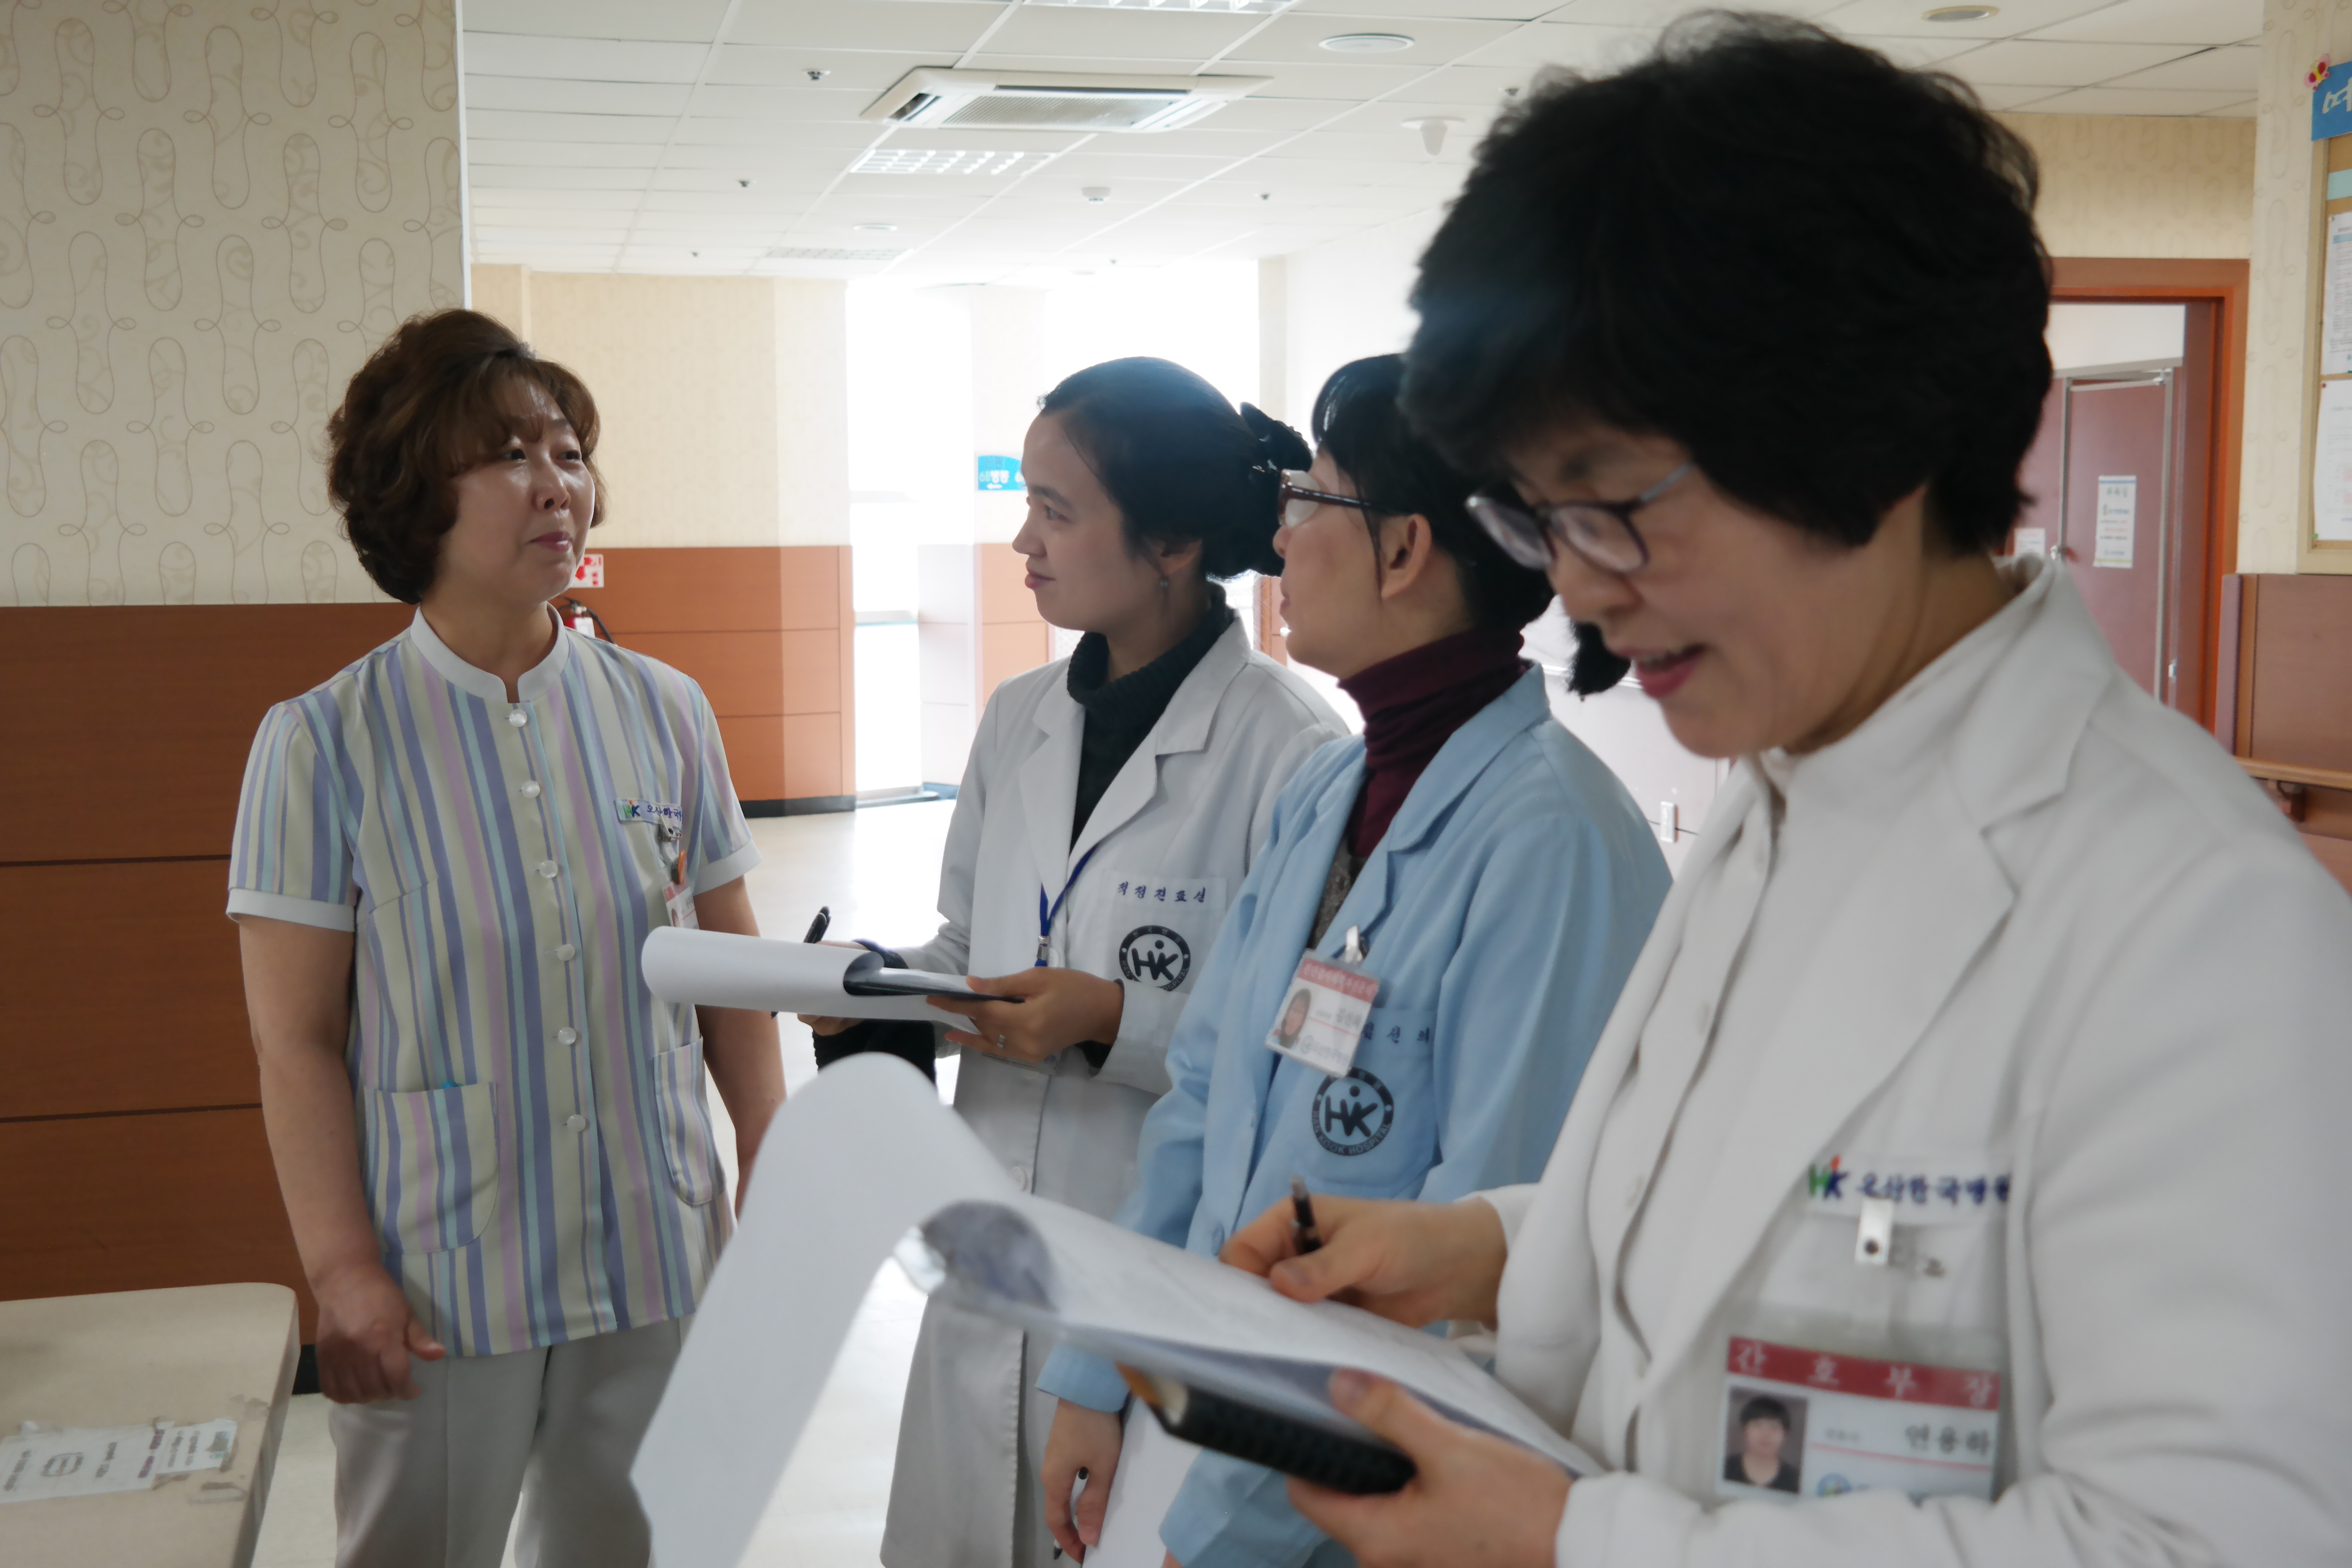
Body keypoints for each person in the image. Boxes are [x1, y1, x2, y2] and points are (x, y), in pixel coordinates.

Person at [1214, 19, 2352, 1568]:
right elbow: (1758, 1212)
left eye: (1614, 504)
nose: (1578, 591)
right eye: (1540, 518)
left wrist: (1583, 1545)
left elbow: (2215, 1540)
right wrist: (1482, 1243)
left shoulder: (2202, 926)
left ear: (1865, 436)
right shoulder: (1789, 784)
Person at [1034, 354, 1670, 1568]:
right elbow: (1200, 1108)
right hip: (1214, 1434)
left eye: (1308, 498)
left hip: (1362, 1507)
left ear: (1403, 550)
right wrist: (1098, 1372)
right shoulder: (1331, 788)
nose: (1277, 535)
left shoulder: (1552, 845)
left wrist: (1223, 1534)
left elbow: (1468, 1284)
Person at [228, 311, 786, 1567]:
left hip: (652, 1244)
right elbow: (294, 1041)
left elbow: (730, 969)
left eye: (569, 452)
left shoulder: (665, 709)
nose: (557, 485)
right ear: (415, 495)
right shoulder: (322, 743)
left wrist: (764, 1142)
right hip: (441, 1272)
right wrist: (343, 1270)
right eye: (509, 456)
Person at [839, 358, 1348, 1568]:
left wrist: (1113, 1019)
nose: (1023, 542)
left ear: (1171, 544)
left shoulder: (1291, 752)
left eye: (1056, 512)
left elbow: (1303, 1052)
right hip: (991, 1244)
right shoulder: (1018, 716)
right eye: (1026, 504)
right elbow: (970, 944)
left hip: (1151, 1274)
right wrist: (876, 988)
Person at [1722, 1398, 1799, 1495]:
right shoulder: (1725, 1468)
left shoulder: (1795, 1479)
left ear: (1785, 1436)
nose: (1766, 1434)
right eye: (1757, 1425)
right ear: (1745, 1430)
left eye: (1774, 1427)